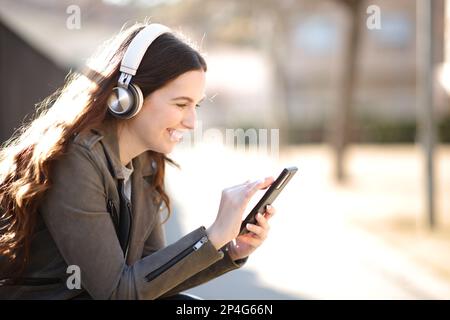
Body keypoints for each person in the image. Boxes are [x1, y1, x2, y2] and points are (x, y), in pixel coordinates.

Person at [0, 22, 276, 300]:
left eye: (196, 105)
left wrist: (229, 251)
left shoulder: (144, 162)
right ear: (127, 97)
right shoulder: (74, 160)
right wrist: (213, 235)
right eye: (181, 104)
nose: (192, 122)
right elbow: (119, 293)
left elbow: (151, 281)